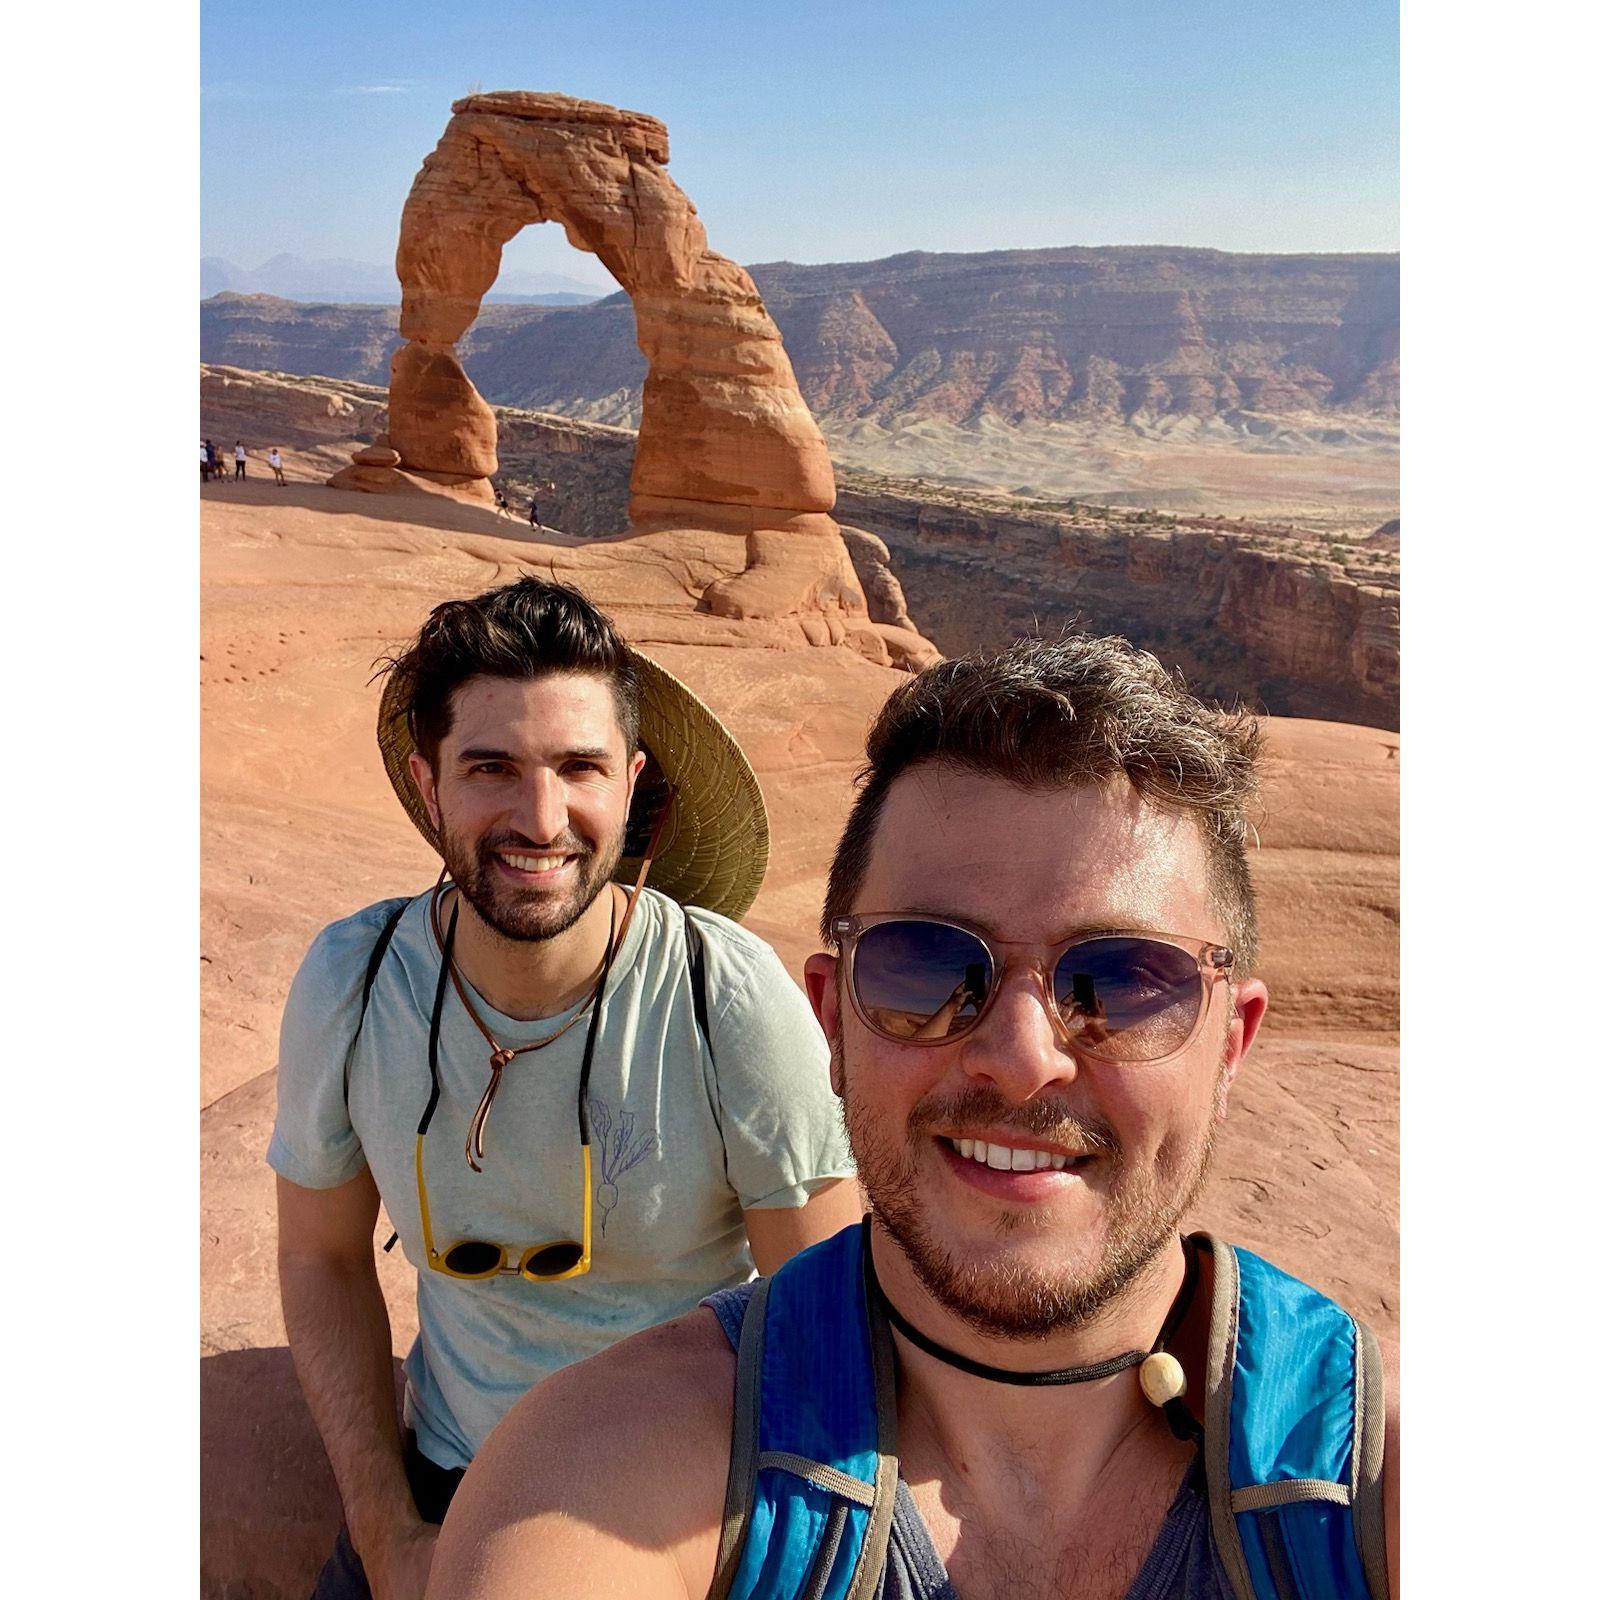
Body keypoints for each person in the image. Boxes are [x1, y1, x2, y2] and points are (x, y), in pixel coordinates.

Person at [431, 635, 1399, 1600]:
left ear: (1231, 1040)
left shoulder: (1370, 1487)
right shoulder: (606, 1475)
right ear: (831, 1023)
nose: (1021, 1060)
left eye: (1119, 983)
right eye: (926, 969)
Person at [271, 576, 859, 1600]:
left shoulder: (724, 994)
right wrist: (385, 1535)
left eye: (577, 767)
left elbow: (826, 1316)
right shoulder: (355, 978)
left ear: (631, 785)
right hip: (451, 1478)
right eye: (491, 767)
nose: (541, 819)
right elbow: (321, 1258)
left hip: (678, 1512)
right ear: (428, 785)